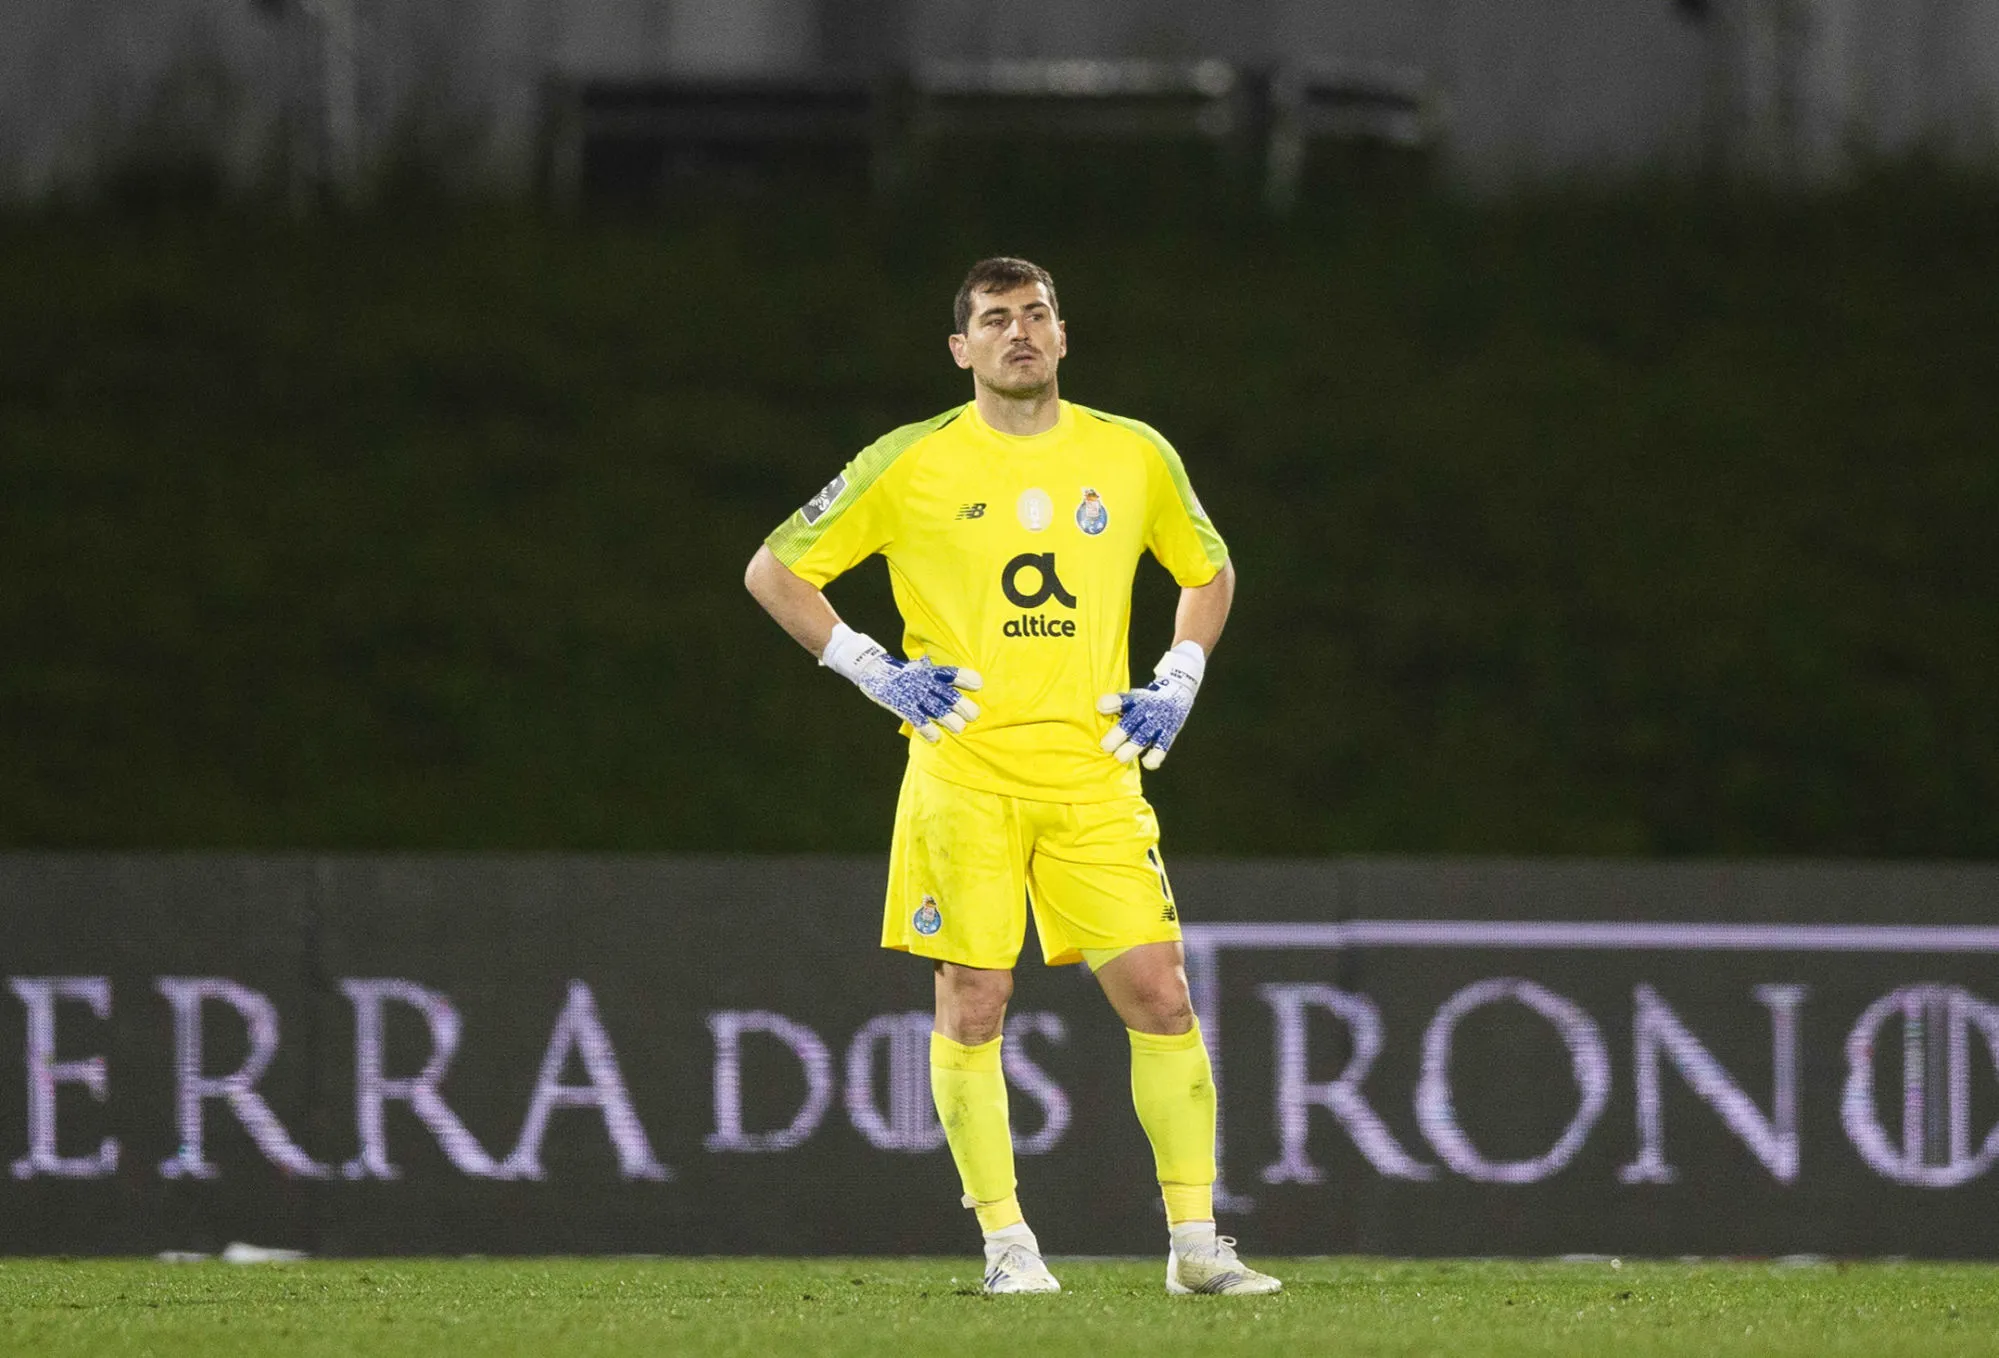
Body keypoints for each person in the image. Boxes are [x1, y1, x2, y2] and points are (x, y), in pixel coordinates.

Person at [744, 257, 1278, 1297]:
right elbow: (775, 569)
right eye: (995, 319)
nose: (1018, 332)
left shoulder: (1131, 455)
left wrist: (1178, 673)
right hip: (965, 775)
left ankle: (1196, 1244)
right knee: (974, 1001)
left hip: (1093, 774)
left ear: (1064, 335)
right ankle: (1007, 1244)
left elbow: (1206, 569)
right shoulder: (911, 461)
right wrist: (874, 671)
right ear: (961, 349)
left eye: (1036, 314)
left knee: (1161, 993)